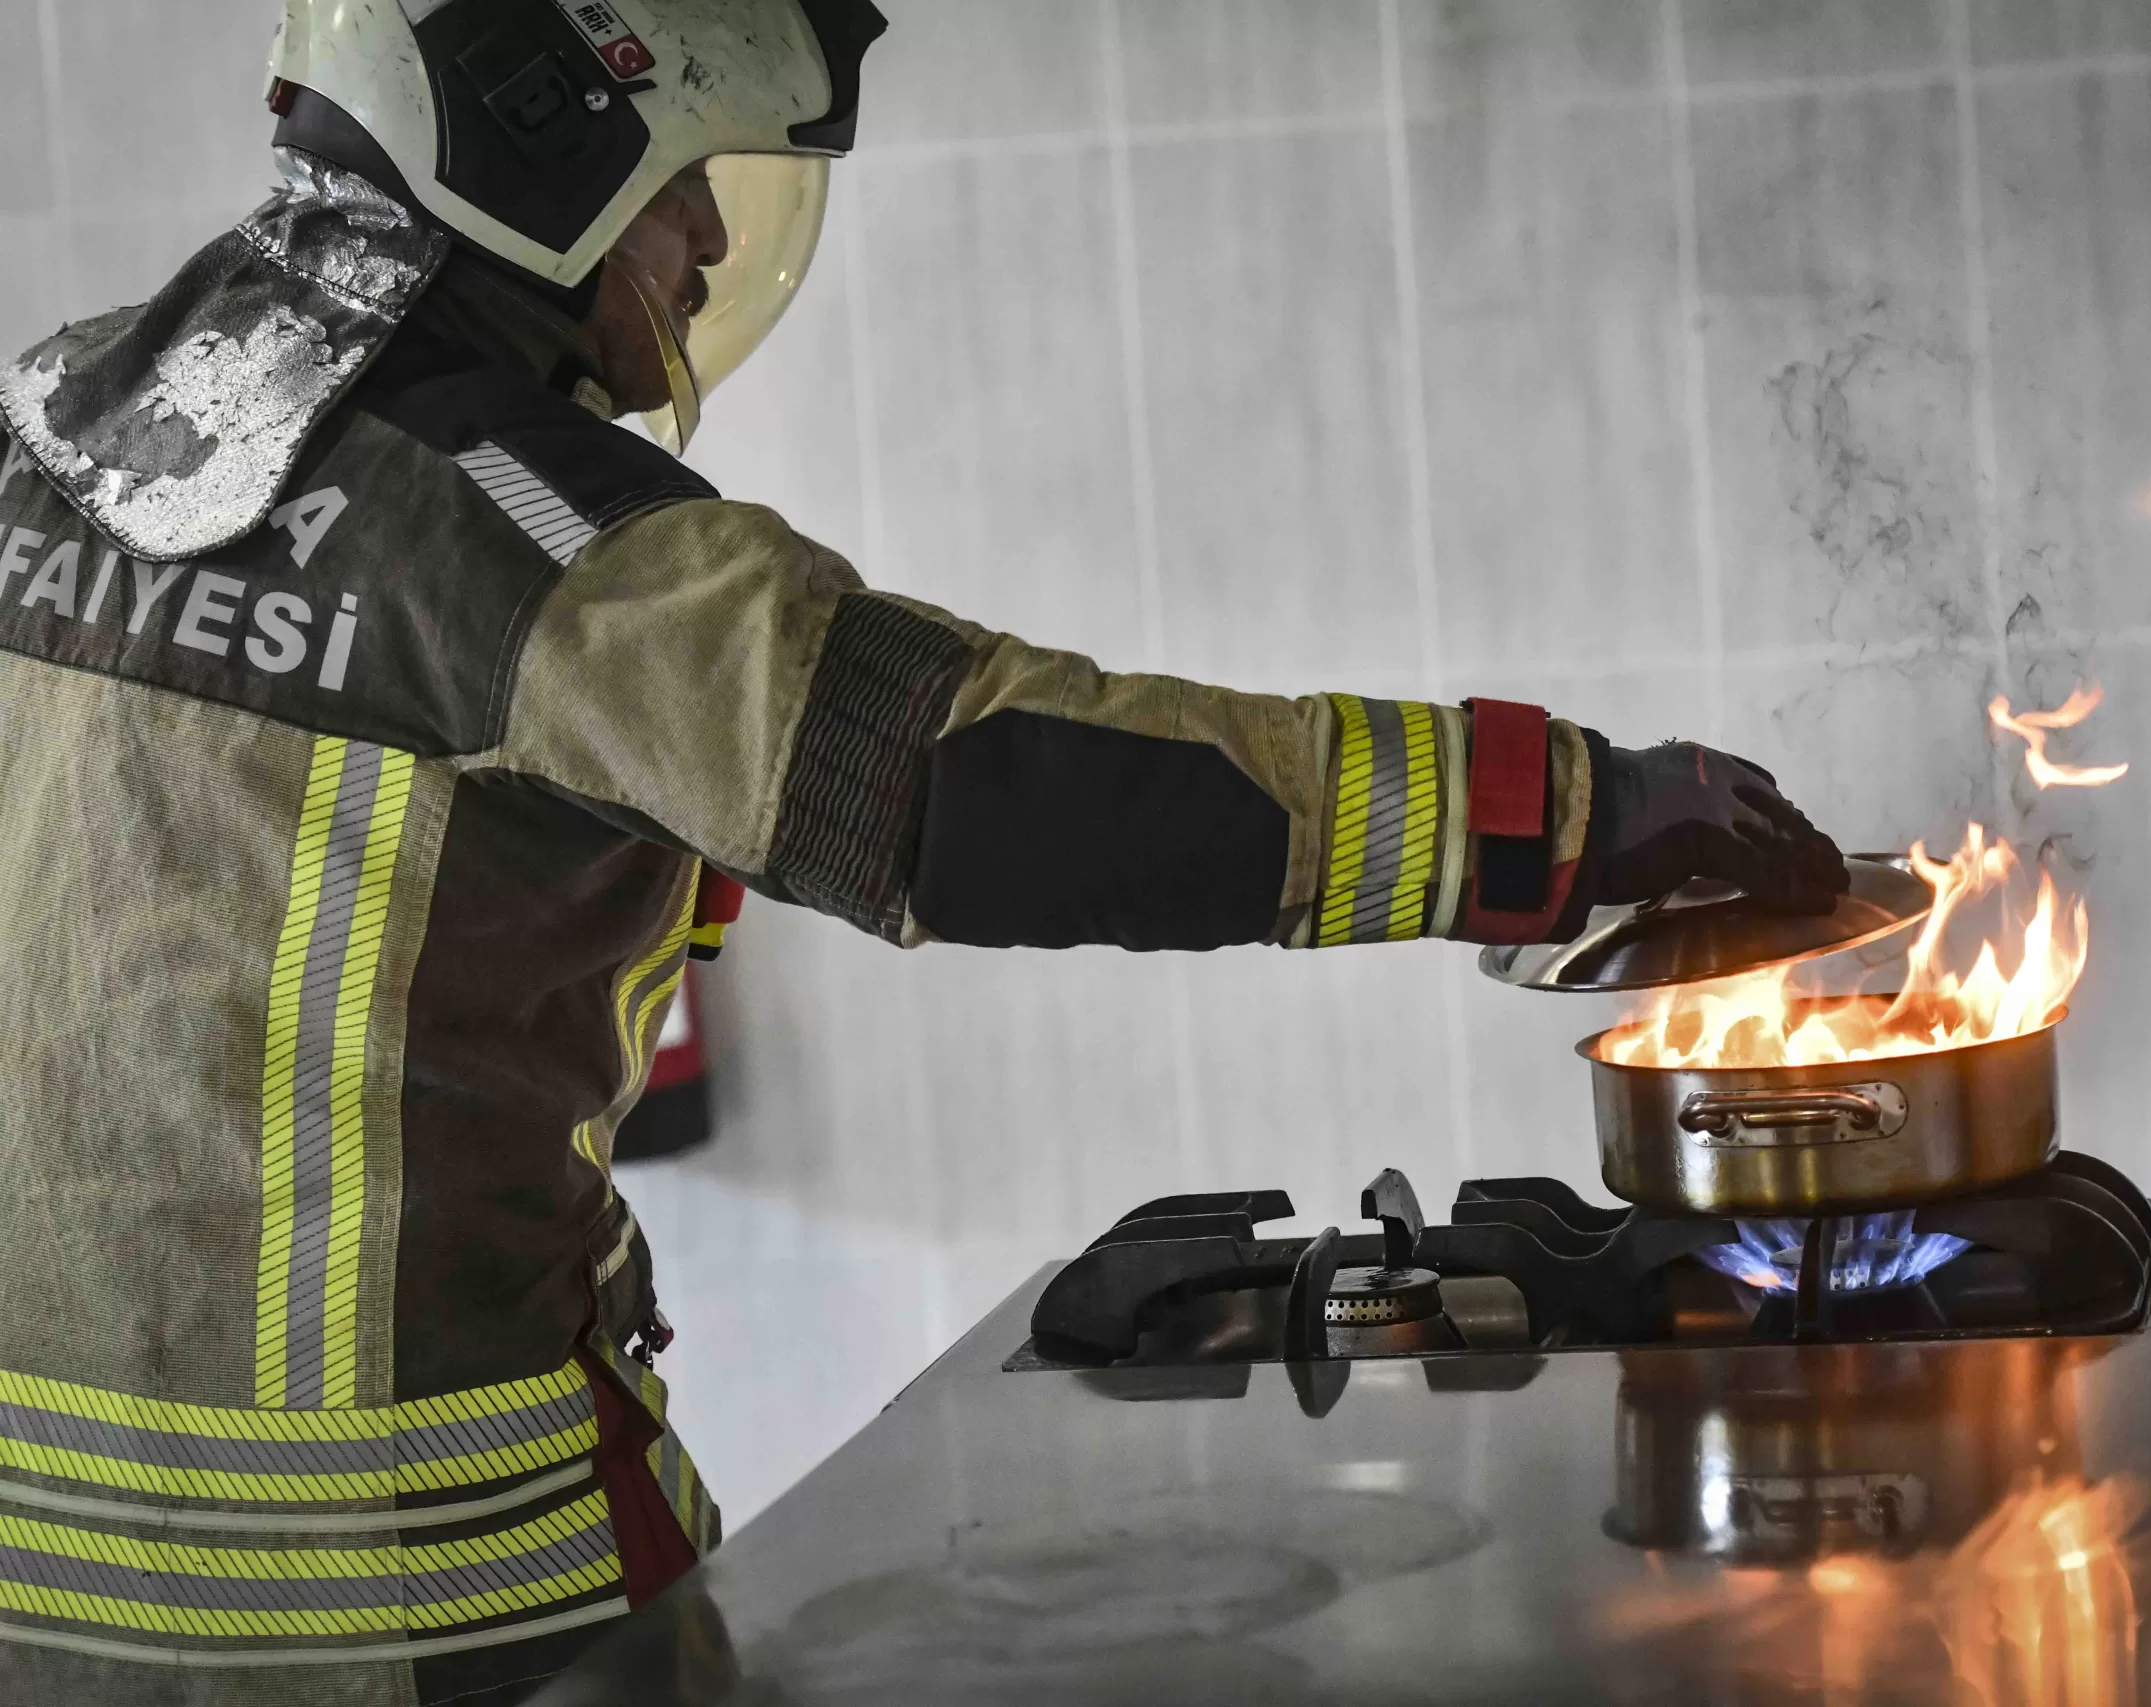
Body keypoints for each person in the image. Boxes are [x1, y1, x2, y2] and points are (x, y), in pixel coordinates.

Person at [0, 2, 1847, 1700]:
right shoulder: (541, 549)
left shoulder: (46, 427)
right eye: (684, 189)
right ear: (541, 146)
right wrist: (1555, 813)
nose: (713, 249)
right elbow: (991, 779)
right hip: (422, 1603)